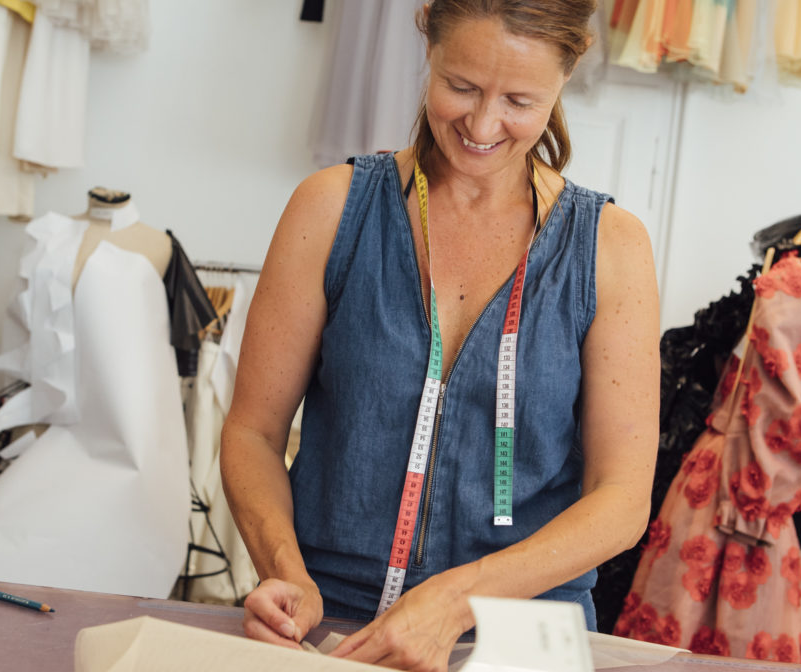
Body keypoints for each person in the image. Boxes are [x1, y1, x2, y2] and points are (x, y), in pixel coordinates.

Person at [220, 1, 659, 669]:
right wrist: (285, 570)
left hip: (523, 631)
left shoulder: (610, 248)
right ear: (428, 46)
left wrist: (459, 602)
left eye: (517, 99)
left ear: (567, 73)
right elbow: (252, 431)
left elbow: (622, 499)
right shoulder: (331, 208)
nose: (482, 125)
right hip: (333, 617)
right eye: (460, 87)